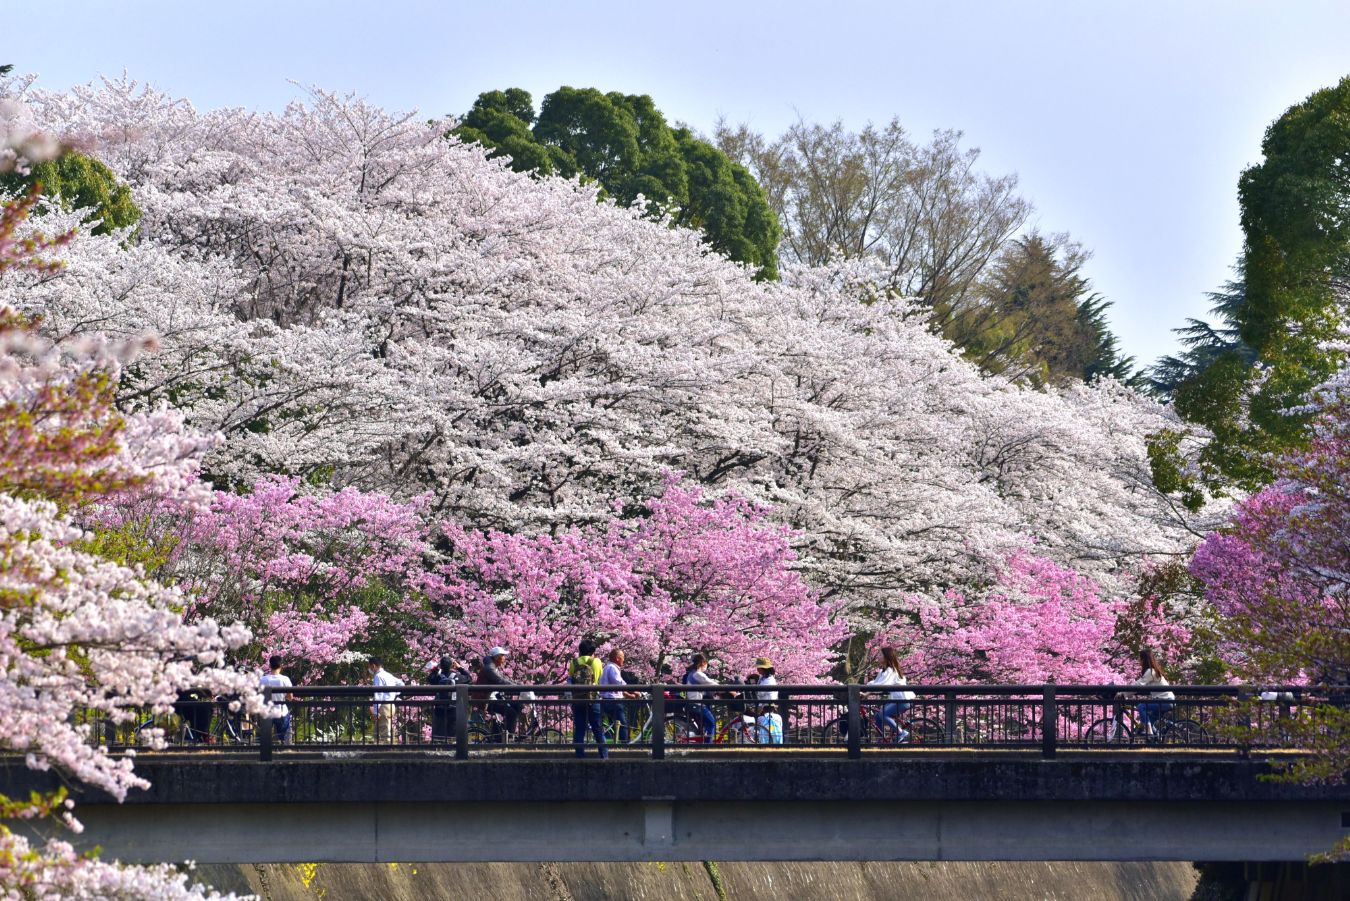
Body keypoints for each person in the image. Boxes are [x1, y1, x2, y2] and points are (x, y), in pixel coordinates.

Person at [568, 639, 608, 759]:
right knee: (597, 728)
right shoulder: (596, 662)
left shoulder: (574, 662)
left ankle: (580, 756)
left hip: (578, 699)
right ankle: (604, 756)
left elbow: (570, 679)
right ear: (593, 651)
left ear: (580, 650)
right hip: (593, 699)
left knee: (579, 728)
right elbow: (600, 678)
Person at [868, 646, 916, 742]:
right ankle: (882, 738)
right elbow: (876, 683)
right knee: (878, 716)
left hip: (903, 700)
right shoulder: (883, 671)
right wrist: (865, 689)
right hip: (896, 700)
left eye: (880, 655)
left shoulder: (891, 670)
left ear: (886, 657)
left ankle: (901, 732)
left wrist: (867, 692)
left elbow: (883, 684)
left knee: (883, 714)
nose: (878, 657)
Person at [476, 646, 521, 741]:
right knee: (511, 713)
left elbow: (505, 680)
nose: (504, 658)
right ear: (497, 657)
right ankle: (508, 738)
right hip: (486, 700)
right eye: (503, 656)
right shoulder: (489, 669)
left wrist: (519, 685)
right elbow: (501, 681)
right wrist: (518, 688)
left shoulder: (493, 667)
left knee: (517, 706)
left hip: (493, 697)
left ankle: (504, 732)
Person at [427, 655, 471, 741]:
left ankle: (438, 750)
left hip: (439, 707)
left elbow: (429, 679)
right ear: (452, 665)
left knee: (438, 735)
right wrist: (459, 668)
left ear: (441, 666)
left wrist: (435, 670)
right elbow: (469, 678)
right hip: (453, 708)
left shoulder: (437, 677)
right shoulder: (457, 676)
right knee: (453, 735)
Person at [1133, 649, 1175, 737]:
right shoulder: (1153, 671)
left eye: (1139, 659)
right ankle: (1155, 740)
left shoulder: (1150, 672)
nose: (1138, 661)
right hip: (1166, 700)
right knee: (1150, 722)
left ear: (1144, 659)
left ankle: (1149, 732)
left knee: (1142, 706)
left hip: (1165, 701)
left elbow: (1138, 685)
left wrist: (1122, 693)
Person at [600, 648, 634, 744]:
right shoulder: (612, 668)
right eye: (622, 657)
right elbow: (618, 683)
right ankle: (625, 745)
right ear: (617, 658)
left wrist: (628, 694)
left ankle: (615, 742)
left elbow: (615, 687)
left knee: (615, 724)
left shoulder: (608, 667)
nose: (624, 659)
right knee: (622, 724)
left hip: (608, 699)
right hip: (613, 701)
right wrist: (633, 690)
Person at [259, 655, 294, 744]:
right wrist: (283, 696)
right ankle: (284, 753)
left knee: (266, 739)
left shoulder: (263, 679)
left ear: (270, 666)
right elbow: (290, 698)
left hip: (267, 712)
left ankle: (266, 755)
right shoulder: (285, 679)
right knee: (284, 738)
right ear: (281, 666)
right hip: (281, 711)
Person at [368, 657, 404, 744]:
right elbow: (401, 684)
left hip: (383, 706)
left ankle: (388, 750)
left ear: (373, 666)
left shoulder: (378, 676)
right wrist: (393, 694)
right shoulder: (388, 675)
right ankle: (379, 747)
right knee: (383, 728)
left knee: (384, 730)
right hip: (391, 705)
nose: (369, 669)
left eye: (369, 666)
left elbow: (378, 695)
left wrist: (376, 711)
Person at [683, 653, 717, 743]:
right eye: (706, 663)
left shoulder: (692, 674)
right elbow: (711, 684)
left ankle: (704, 742)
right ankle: (708, 745)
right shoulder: (698, 674)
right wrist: (727, 690)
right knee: (711, 722)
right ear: (702, 663)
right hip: (696, 704)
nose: (706, 665)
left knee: (705, 724)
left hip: (692, 703)